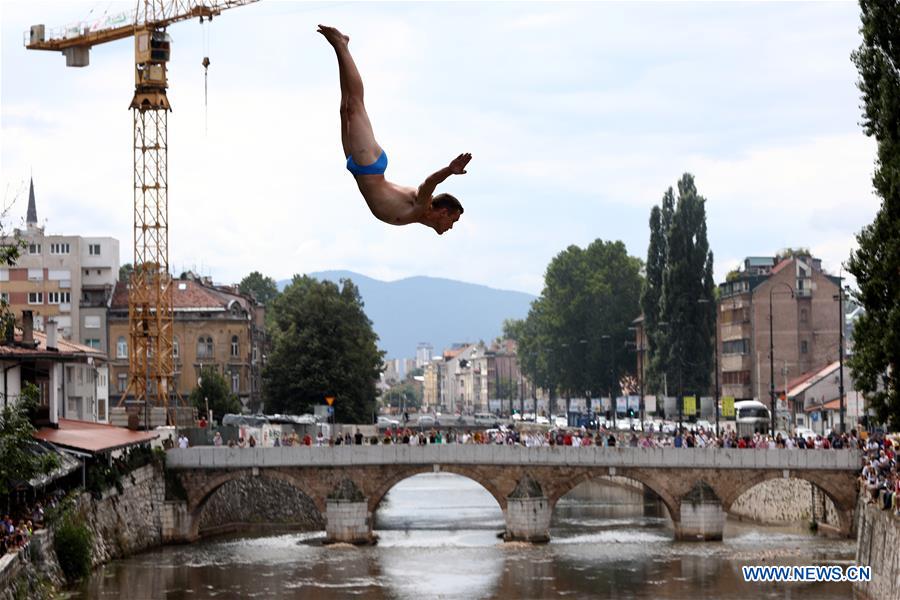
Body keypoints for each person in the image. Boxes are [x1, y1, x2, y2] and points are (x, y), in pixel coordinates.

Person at [318, 24, 469, 235]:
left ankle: (340, 47)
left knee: (346, 108)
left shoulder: (416, 214)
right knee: (355, 106)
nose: (450, 227)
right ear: (443, 212)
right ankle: (341, 45)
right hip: (369, 166)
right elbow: (429, 183)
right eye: (452, 220)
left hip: (358, 166)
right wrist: (449, 171)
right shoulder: (422, 205)